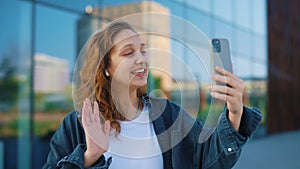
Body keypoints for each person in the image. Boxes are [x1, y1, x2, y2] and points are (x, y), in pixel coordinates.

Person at [43, 21, 262, 169]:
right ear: (106, 68)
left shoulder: (168, 115)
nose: (142, 59)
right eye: (129, 52)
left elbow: (209, 160)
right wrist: (90, 157)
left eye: (143, 50)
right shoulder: (77, 125)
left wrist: (234, 111)